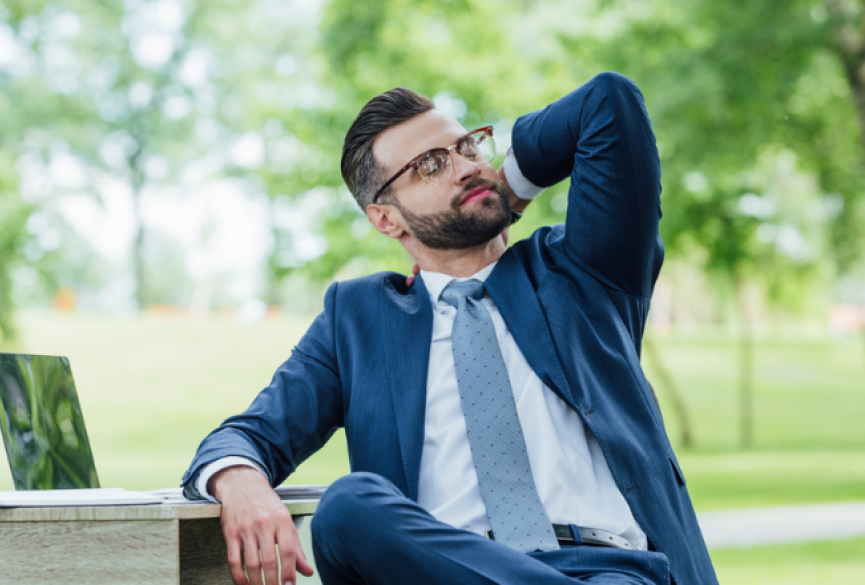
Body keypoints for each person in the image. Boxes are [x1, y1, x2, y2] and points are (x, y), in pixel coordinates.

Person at [181, 71, 718, 585]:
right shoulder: (358, 319)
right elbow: (248, 435)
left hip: (606, 572)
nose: (464, 168)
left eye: (467, 148)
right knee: (348, 506)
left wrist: (507, 186)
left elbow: (608, 103)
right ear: (386, 220)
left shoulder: (582, 272)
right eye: (430, 166)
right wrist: (242, 482)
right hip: (443, 572)